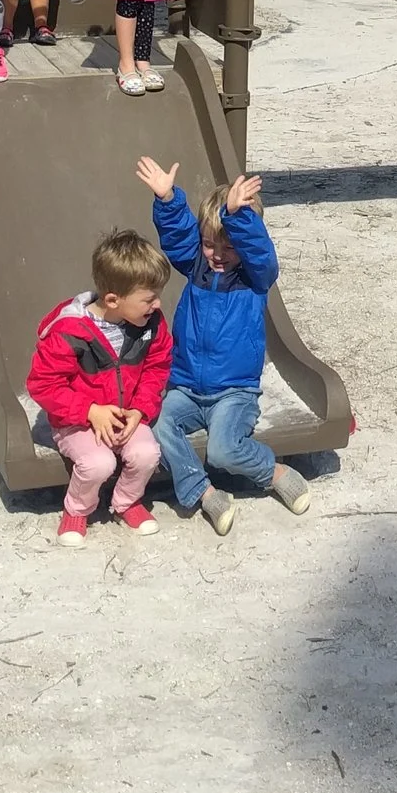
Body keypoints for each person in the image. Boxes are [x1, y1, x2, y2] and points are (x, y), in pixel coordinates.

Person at [135, 156, 315, 535]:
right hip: (185, 385)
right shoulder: (197, 267)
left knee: (223, 450)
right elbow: (180, 237)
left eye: (228, 247)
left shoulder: (254, 277)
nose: (217, 255)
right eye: (209, 245)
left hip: (234, 392)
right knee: (156, 422)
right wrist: (168, 201)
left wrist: (237, 217)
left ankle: (275, 471)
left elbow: (259, 252)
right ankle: (204, 493)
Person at [26, 230, 177, 545]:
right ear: (113, 300)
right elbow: (43, 385)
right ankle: (77, 510)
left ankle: (125, 502)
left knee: (148, 453)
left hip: (124, 414)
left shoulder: (150, 324)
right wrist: (89, 411)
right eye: (149, 298)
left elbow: (157, 367)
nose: (157, 304)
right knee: (99, 463)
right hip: (77, 418)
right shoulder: (70, 331)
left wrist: (140, 409)